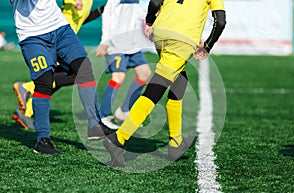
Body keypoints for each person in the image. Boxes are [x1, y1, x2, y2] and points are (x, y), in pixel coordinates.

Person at [102, 0, 226, 167]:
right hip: (182, 40)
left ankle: (175, 144)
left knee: (179, 83)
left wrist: (150, 21)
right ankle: (118, 139)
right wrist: (208, 45)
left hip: (161, 34)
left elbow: (155, 2)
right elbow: (220, 20)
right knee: (156, 89)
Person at [10, 0, 107, 154]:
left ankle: (95, 125)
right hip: (33, 36)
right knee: (44, 83)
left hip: (60, 28)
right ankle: (42, 140)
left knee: (84, 70)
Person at [95, 0, 151, 129]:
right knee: (118, 77)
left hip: (132, 45)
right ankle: (102, 116)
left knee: (145, 74)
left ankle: (124, 111)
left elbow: (140, 13)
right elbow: (107, 15)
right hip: (115, 44)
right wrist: (105, 42)